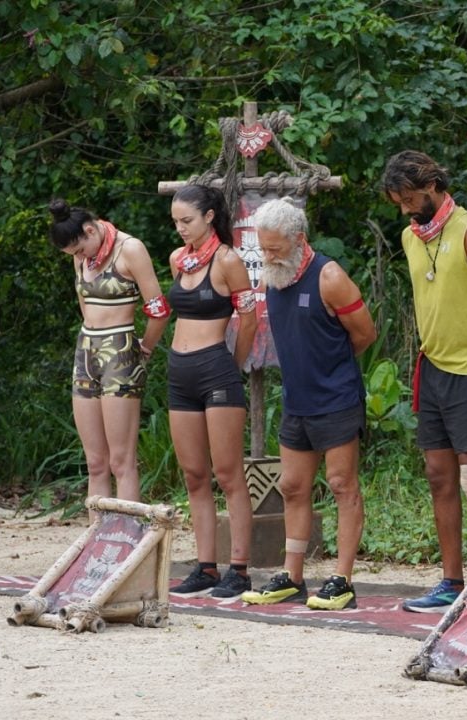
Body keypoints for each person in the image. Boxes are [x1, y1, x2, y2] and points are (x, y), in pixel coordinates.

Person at [381, 150, 467, 613]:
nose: (405, 210)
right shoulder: (410, 237)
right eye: (399, 203)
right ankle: (452, 581)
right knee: (438, 475)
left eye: (410, 199)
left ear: (432, 185)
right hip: (432, 366)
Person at [240, 198, 376, 610]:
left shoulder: (329, 276)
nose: (268, 256)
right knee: (293, 486)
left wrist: (330, 369)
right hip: (296, 400)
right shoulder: (273, 277)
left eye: (275, 248)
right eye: (263, 248)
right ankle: (292, 576)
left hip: (336, 398)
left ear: (298, 239)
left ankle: (342, 580)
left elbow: (364, 334)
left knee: (341, 484)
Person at [166, 185, 258, 599]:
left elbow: (249, 320)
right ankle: (205, 566)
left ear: (208, 216)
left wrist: (231, 366)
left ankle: (239, 569)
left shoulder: (228, 261)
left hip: (215, 369)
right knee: (194, 474)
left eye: (187, 220)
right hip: (179, 372)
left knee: (228, 472)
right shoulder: (177, 259)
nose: (181, 228)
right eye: (175, 222)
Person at [48, 199, 170, 506]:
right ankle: (97, 536)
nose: (79, 257)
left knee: (121, 461)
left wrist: (145, 348)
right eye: (73, 255)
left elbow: (159, 310)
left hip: (120, 351)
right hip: (86, 351)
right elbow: (84, 303)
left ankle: (126, 534)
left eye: (79, 250)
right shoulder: (81, 256)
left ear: (90, 230)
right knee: (95, 462)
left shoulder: (130, 249)